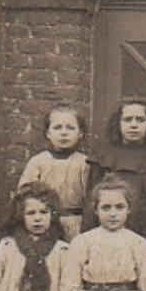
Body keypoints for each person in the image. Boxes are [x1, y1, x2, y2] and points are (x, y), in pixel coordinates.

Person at [88, 96, 146, 238]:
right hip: (106, 228)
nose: (134, 125)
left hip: (144, 229)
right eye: (128, 119)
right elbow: (91, 200)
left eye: (140, 120)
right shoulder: (104, 158)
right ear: (118, 123)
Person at [16, 103, 91, 241]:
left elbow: (90, 198)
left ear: (80, 133)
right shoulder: (38, 162)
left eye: (70, 128)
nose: (64, 132)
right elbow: (24, 195)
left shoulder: (84, 163)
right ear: (48, 133)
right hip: (45, 222)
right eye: (57, 127)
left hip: (76, 223)